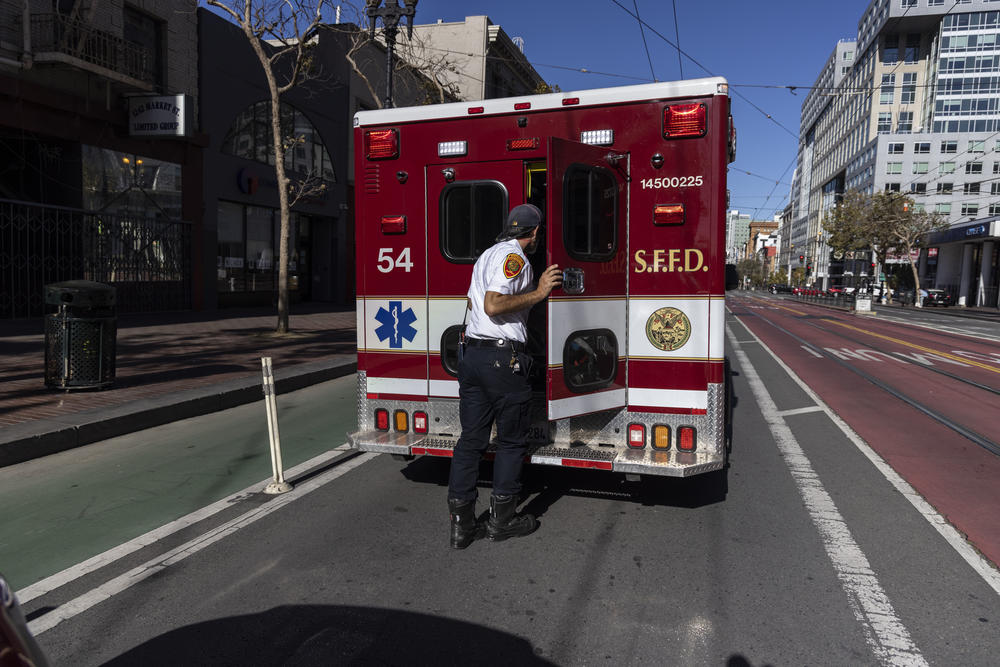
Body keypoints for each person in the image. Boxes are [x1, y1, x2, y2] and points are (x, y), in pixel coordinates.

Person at [447, 203, 562, 549]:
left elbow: (478, 304)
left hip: (473, 356)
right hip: (501, 360)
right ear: (535, 232)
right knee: (511, 442)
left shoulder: (486, 255)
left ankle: (462, 526)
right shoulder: (514, 258)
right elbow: (494, 304)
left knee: (471, 441)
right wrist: (540, 293)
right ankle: (502, 521)